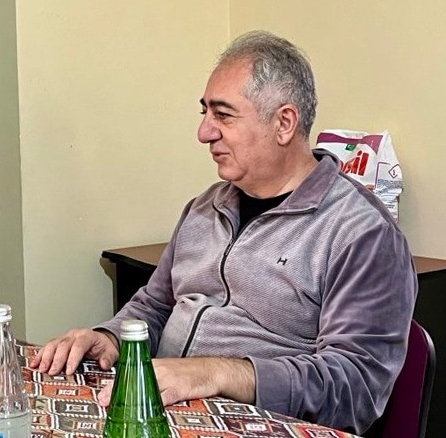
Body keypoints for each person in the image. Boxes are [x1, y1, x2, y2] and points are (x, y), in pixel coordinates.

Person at [31, 30, 416, 434]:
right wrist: (110, 338)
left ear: (284, 123)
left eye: (224, 115)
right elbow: (155, 307)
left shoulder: (361, 232)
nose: (205, 133)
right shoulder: (204, 208)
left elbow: (353, 389)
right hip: (168, 414)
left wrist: (215, 374)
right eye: (205, 113)